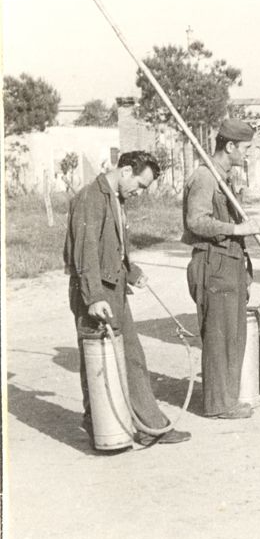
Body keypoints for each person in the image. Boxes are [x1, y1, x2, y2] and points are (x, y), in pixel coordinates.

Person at [64, 151, 191, 446]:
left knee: (118, 358)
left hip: (112, 288)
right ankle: (139, 426)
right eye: (140, 185)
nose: (140, 193)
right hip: (96, 291)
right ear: (124, 171)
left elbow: (112, 248)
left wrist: (132, 272)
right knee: (106, 359)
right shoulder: (91, 198)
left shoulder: (113, 198)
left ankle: (116, 422)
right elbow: (85, 254)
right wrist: (94, 297)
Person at [183, 118, 260, 419]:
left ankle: (227, 398)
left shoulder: (225, 178)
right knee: (219, 337)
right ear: (230, 147)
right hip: (213, 261)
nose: (248, 155)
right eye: (246, 149)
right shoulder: (205, 177)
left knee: (233, 335)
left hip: (229, 262)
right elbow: (196, 221)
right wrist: (238, 230)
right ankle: (219, 404)